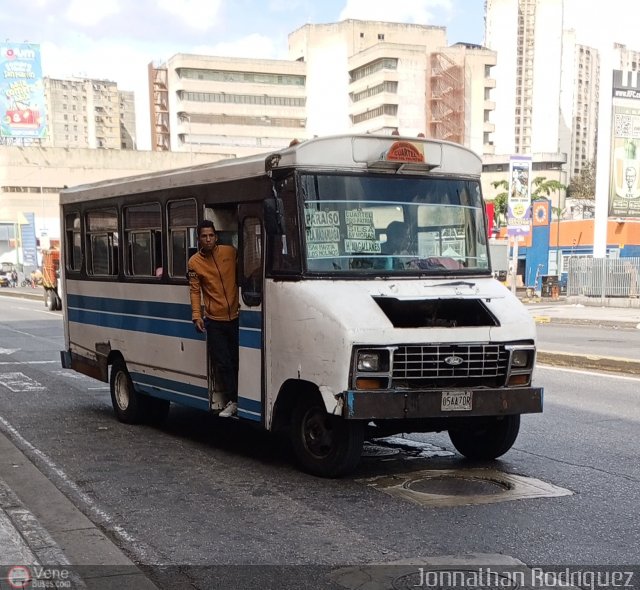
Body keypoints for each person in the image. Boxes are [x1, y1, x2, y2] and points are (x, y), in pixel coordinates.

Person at [188, 220, 239, 417]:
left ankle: (242, 398)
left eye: (211, 235)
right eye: (204, 236)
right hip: (215, 320)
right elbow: (194, 291)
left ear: (216, 237)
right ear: (199, 238)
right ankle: (232, 400)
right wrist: (196, 315)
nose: (208, 239)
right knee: (223, 362)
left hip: (236, 317)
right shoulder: (194, 263)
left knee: (237, 359)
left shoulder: (229, 252)